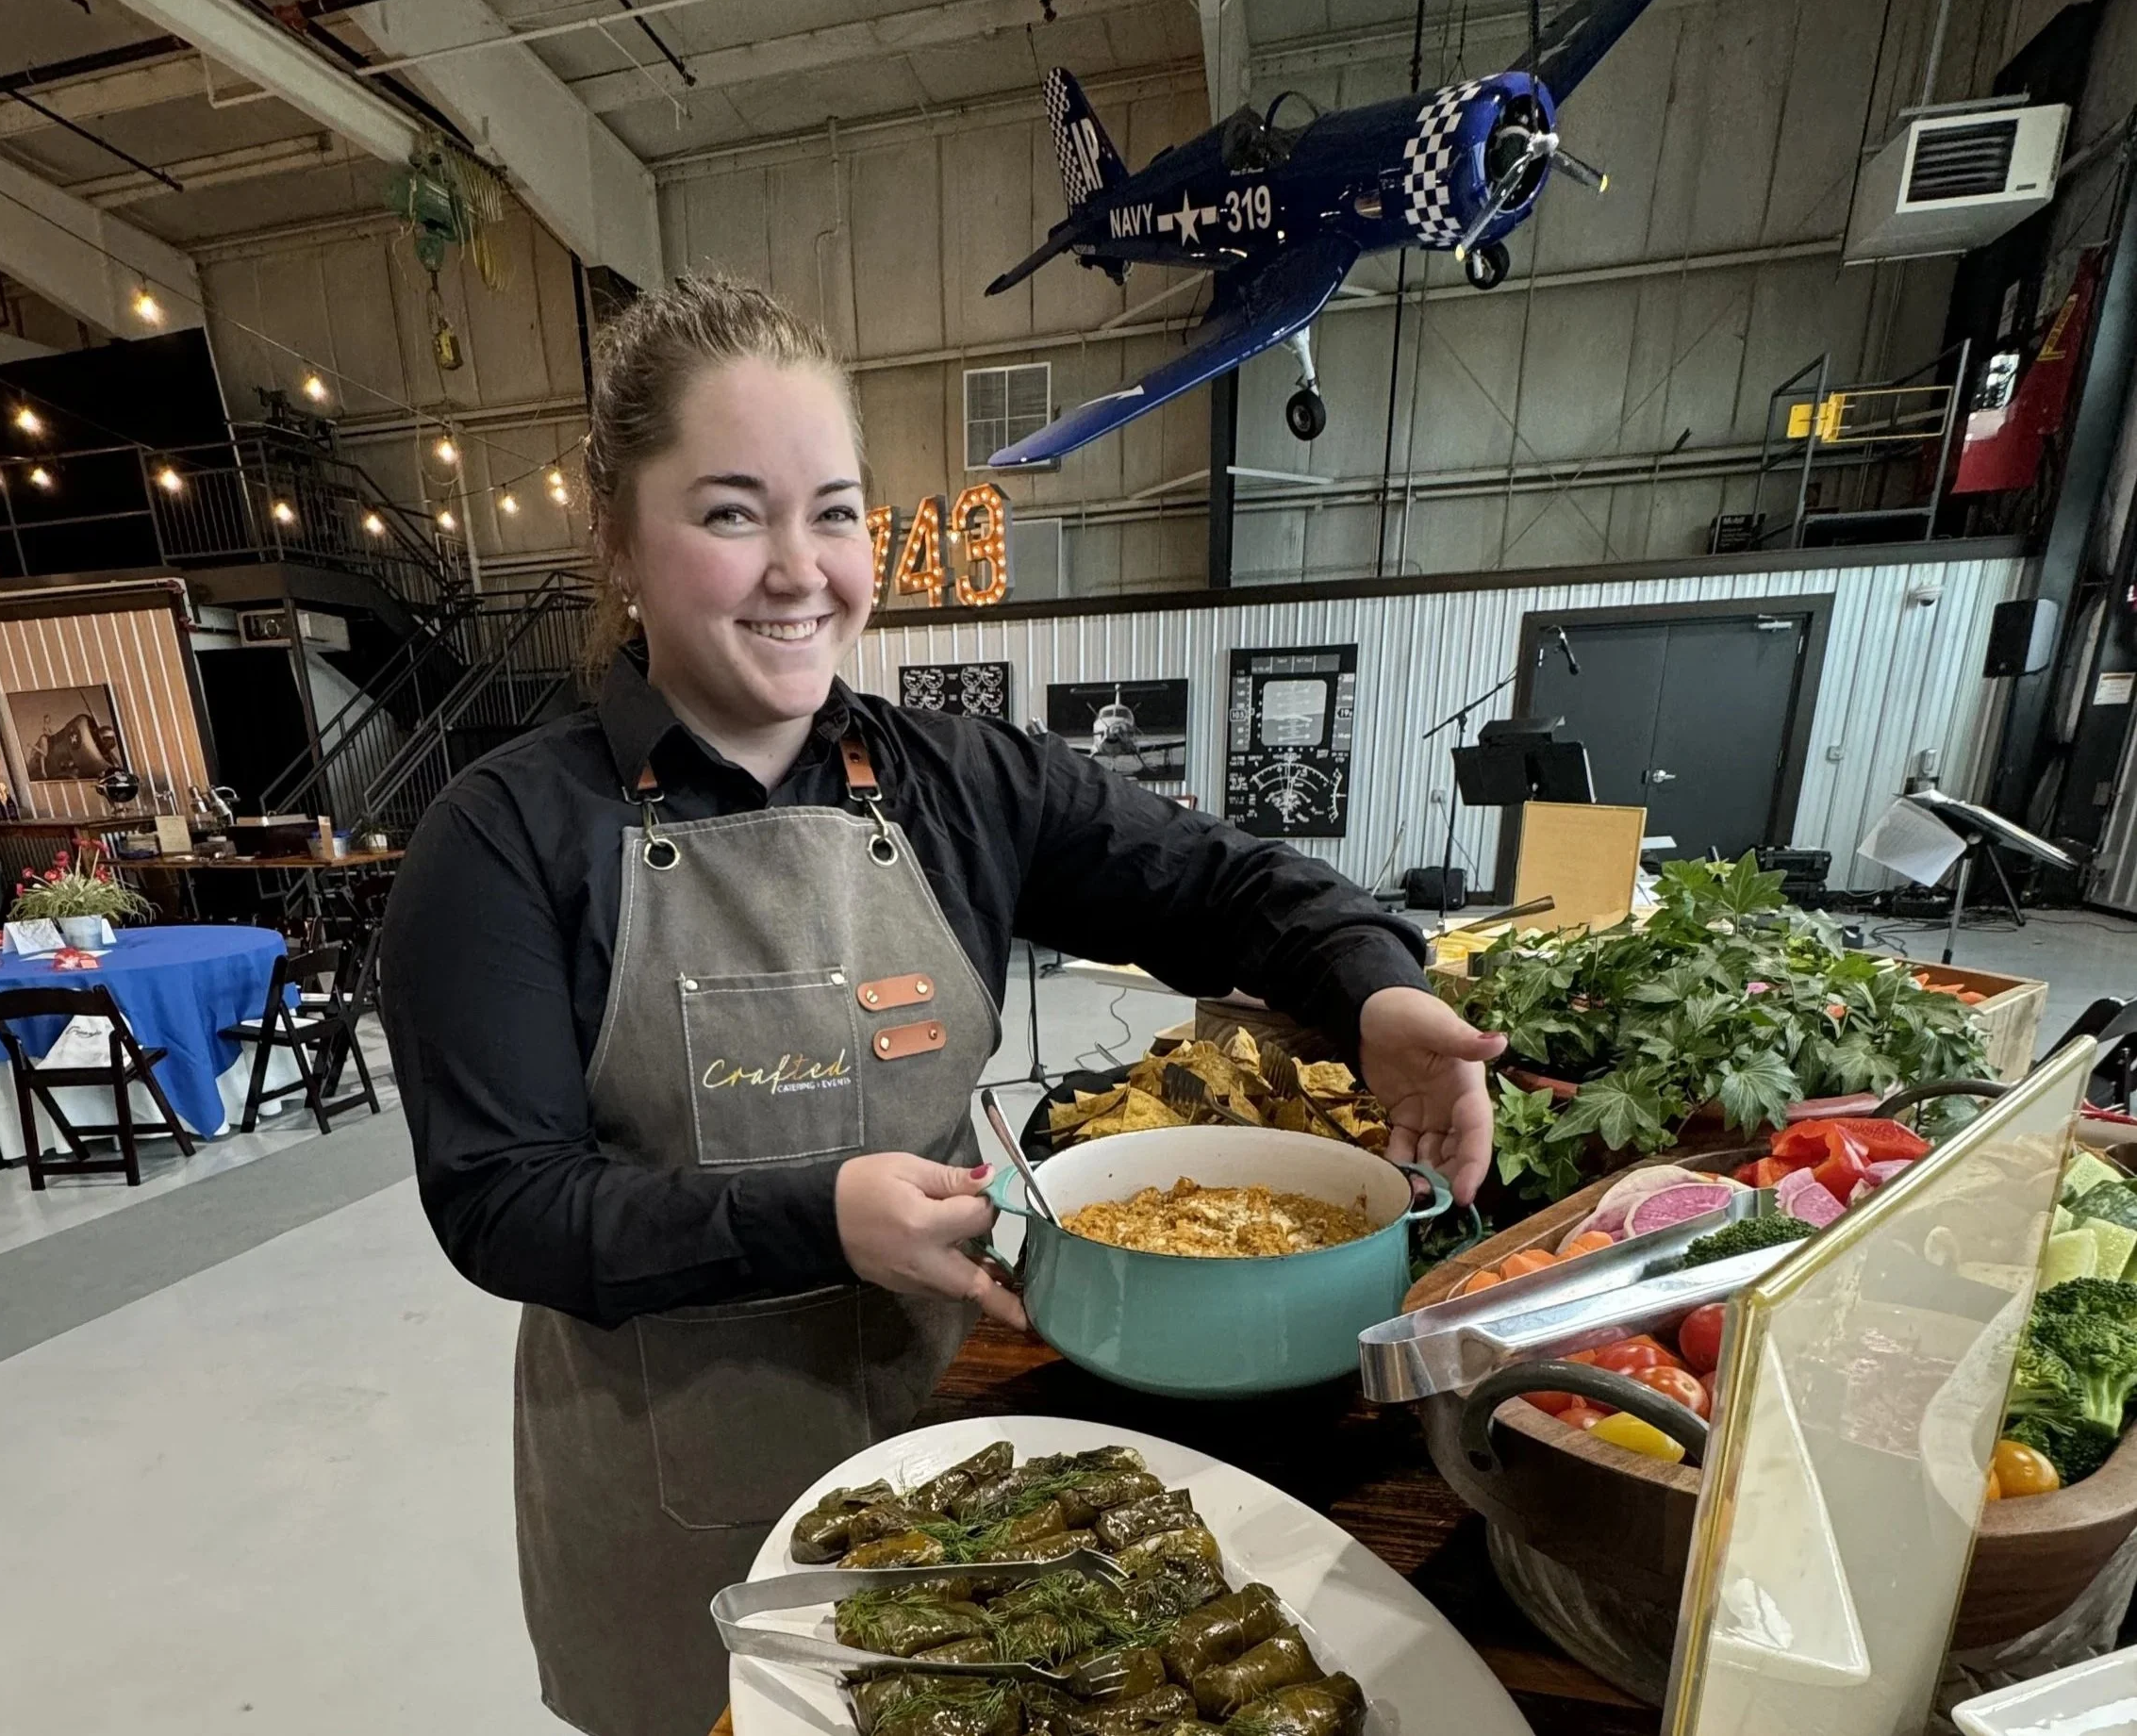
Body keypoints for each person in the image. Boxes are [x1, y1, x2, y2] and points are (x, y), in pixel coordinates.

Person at [381, 276, 1505, 1736]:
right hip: (666, 1496)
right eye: (731, 512)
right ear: (617, 536)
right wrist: (813, 1213)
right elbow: (504, 1201)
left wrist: (1377, 993)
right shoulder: (504, 837)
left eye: (835, 511)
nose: (801, 570)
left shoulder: (961, 782)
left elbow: (1223, 885)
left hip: (956, 1450)